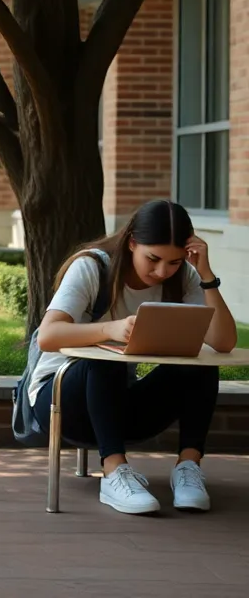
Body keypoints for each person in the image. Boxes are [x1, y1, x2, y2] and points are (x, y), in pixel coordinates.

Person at [32, 200, 236, 516]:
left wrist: (206, 275)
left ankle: (188, 468)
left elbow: (223, 342)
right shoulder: (92, 267)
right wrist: (110, 329)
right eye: (152, 259)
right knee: (105, 358)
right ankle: (114, 473)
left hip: (117, 408)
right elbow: (48, 336)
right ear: (132, 243)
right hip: (61, 404)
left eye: (174, 262)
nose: (161, 271)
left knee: (202, 363)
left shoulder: (184, 277)